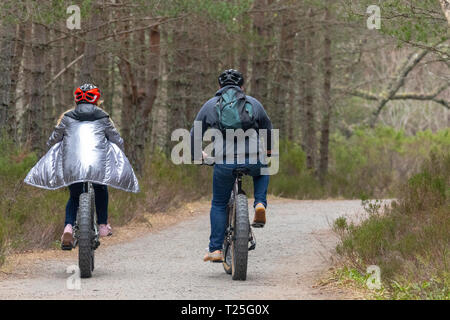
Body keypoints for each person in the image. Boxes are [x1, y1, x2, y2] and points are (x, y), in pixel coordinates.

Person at [24, 84, 139, 249]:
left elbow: (53, 140)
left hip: (72, 166)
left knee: (74, 196)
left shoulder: (66, 117)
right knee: (101, 189)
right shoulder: (104, 118)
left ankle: (68, 227)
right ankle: (103, 225)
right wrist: (118, 151)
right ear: (97, 100)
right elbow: (117, 140)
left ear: (76, 99)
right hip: (98, 166)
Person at [190, 69, 273, 262]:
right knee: (262, 171)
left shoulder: (210, 105)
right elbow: (267, 127)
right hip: (253, 158)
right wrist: (267, 152)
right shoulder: (253, 103)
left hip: (224, 161)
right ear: (242, 86)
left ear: (219, 87)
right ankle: (260, 203)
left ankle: (216, 250)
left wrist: (198, 156)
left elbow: (195, 134)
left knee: (219, 203)